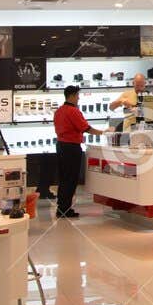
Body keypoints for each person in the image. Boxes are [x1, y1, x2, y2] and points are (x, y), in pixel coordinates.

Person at [51, 86, 102, 219]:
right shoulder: (73, 111)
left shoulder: (59, 111)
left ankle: (61, 207)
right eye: (78, 95)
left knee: (63, 178)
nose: (79, 98)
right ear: (72, 96)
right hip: (71, 148)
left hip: (61, 146)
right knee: (71, 179)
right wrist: (103, 132)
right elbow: (85, 128)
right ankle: (65, 209)